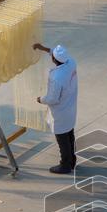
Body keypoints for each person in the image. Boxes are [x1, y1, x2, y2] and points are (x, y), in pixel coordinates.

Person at [34, 42, 78, 174]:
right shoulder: (71, 63)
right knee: (69, 134)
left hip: (60, 111)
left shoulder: (57, 77)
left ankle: (65, 165)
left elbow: (53, 99)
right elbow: (57, 54)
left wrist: (40, 99)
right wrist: (43, 48)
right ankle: (72, 161)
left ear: (54, 59)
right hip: (70, 106)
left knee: (62, 138)